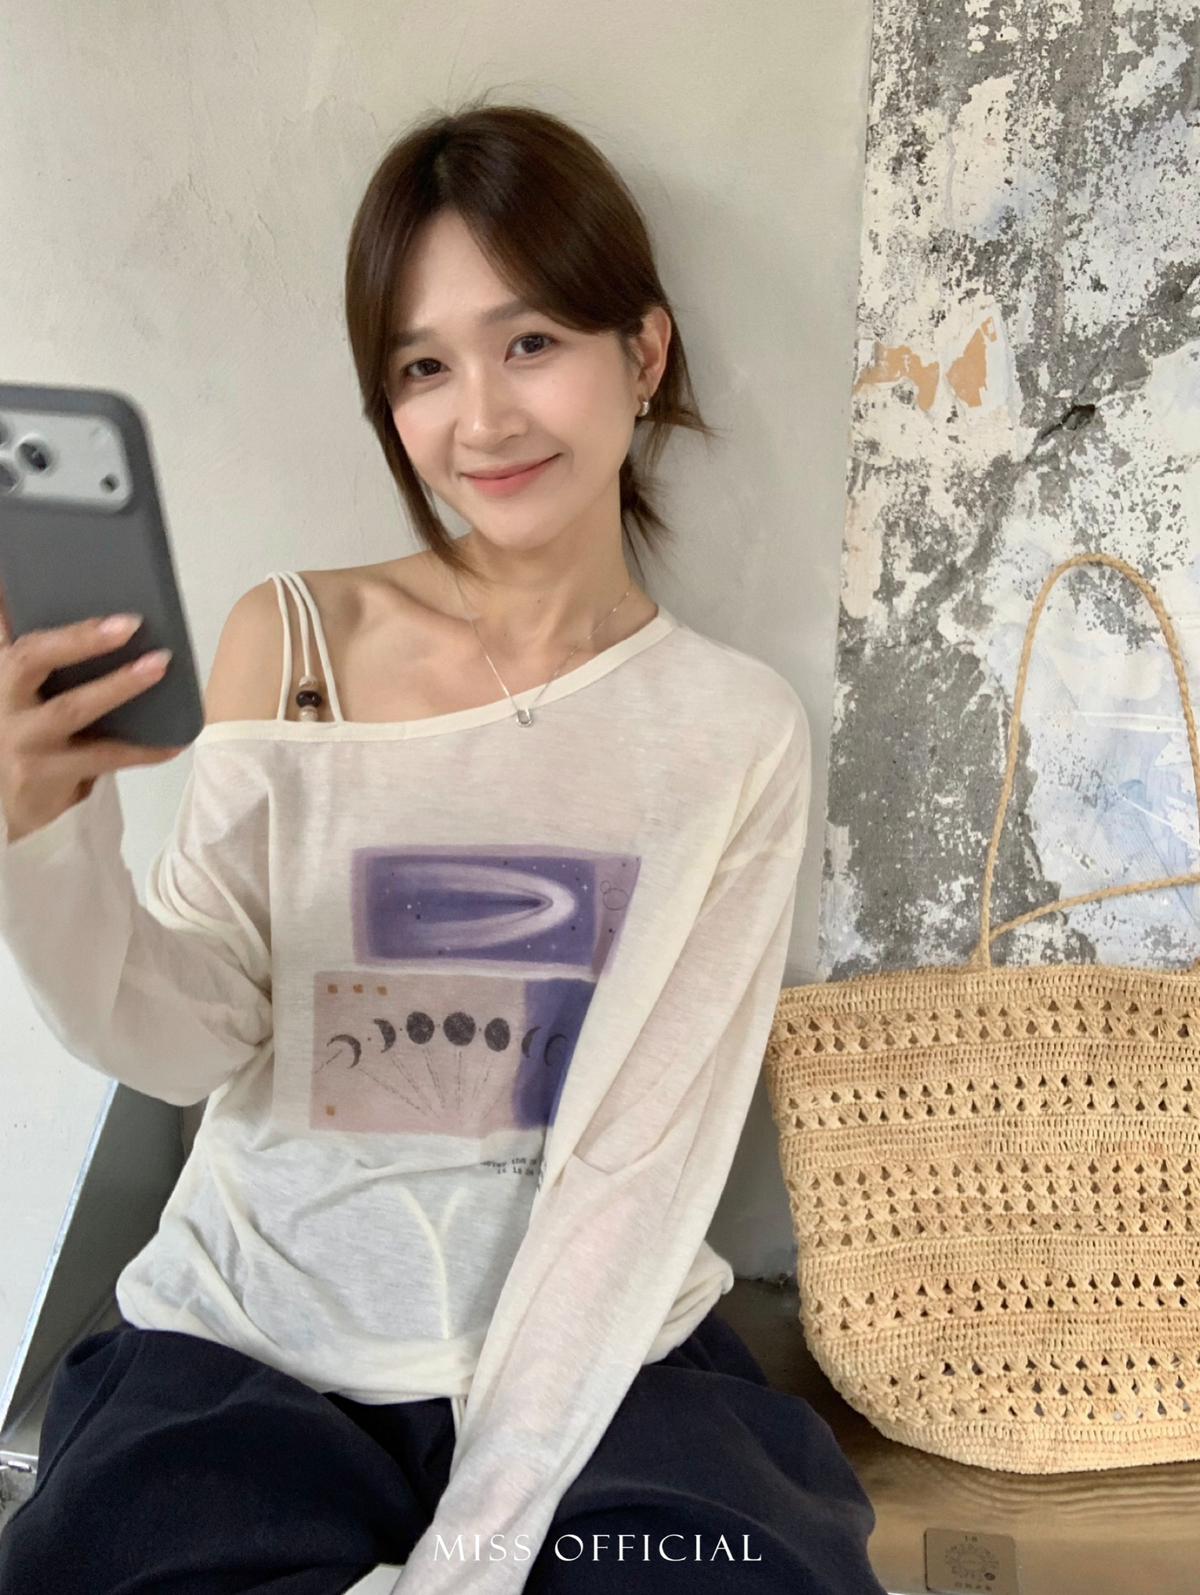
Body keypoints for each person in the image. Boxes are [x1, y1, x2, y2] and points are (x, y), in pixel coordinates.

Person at [0, 96, 887, 1595]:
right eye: (423, 366)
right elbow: (184, 1037)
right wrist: (42, 836)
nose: (479, 421)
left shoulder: (733, 734)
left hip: (604, 1364)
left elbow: (632, 1170)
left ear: (644, 353)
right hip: (250, 1350)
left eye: (530, 341)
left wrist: (469, 1559)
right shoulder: (295, 642)